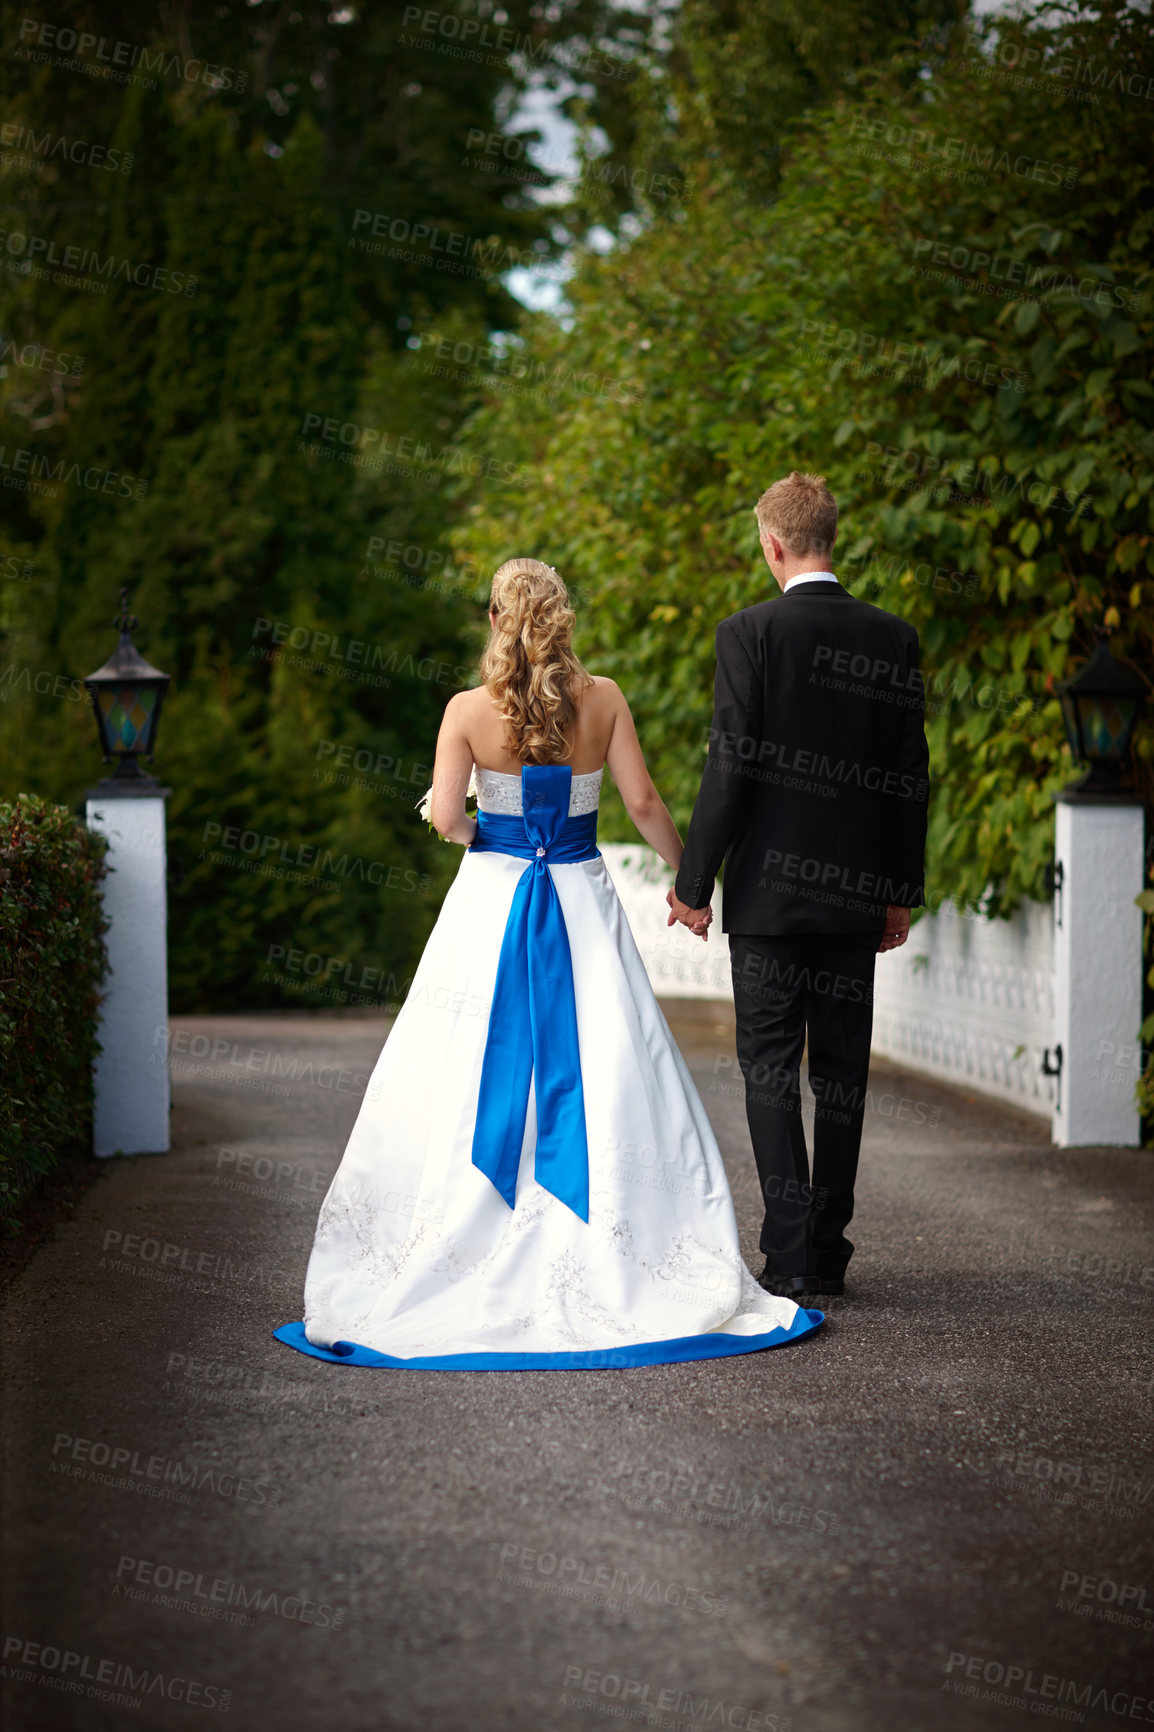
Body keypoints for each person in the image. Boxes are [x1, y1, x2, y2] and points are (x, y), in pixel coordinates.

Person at [276, 557, 822, 1370]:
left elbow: (451, 818)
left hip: (492, 901)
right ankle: (621, 1246)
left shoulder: (466, 709)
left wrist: (465, 828)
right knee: (607, 1062)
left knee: (460, 1063)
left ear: (498, 618)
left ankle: (468, 1233)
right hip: (578, 897)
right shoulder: (602, 701)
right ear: (562, 617)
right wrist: (690, 886)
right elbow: (641, 804)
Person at [668, 473, 928, 1301]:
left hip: (771, 905)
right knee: (842, 1074)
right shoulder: (893, 638)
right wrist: (900, 889)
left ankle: (789, 1256)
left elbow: (730, 767)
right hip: (855, 896)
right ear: (830, 539)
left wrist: (694, 882)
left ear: (772, 545)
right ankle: (829, 1247)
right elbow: (906, 776)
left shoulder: (747, 634)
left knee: (772, 1072)